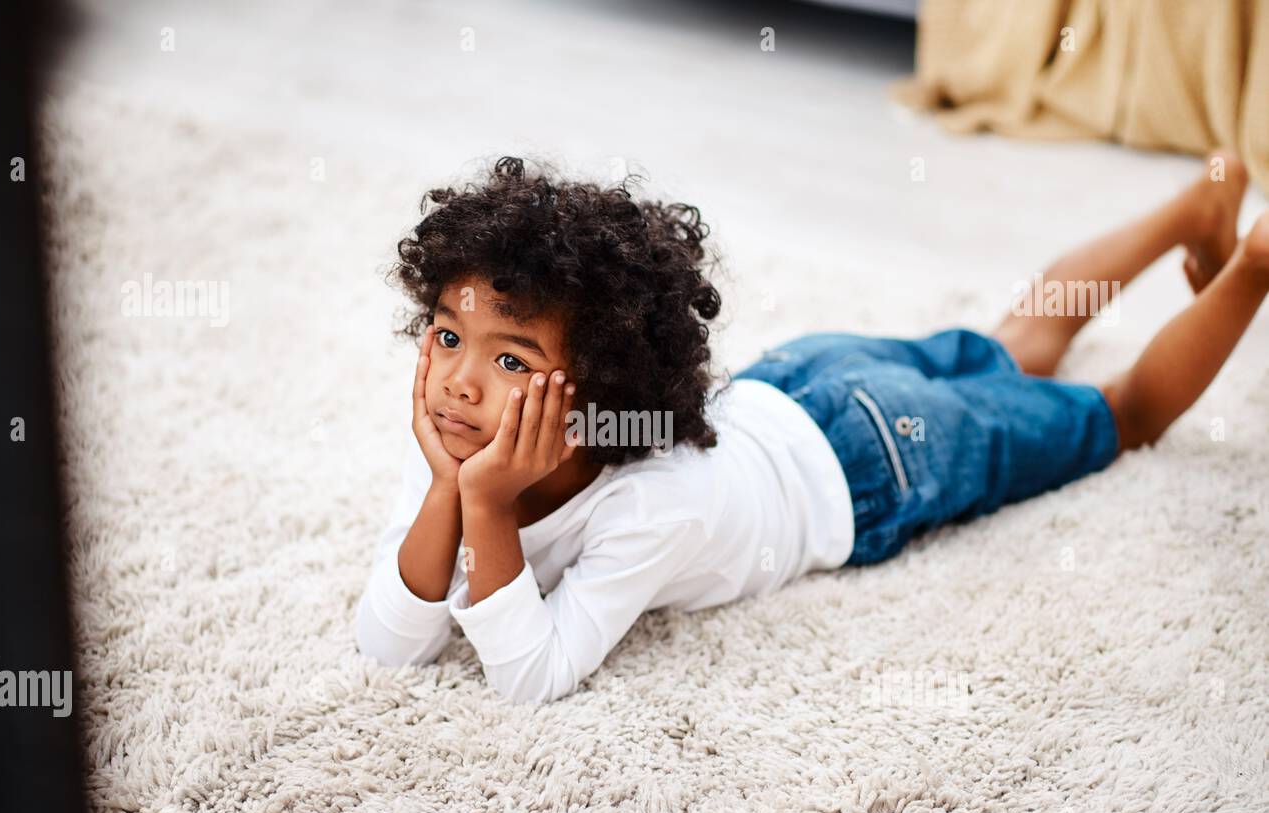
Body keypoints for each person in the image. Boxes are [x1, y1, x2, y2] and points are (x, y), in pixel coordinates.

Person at [356, 153, 1267, 704]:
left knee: (1125, 416)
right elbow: (390, 647)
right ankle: (1197, 207)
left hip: (882, 457)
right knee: (1014, 342)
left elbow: (529, 678)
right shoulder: (457, 437)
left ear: (599, 387)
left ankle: (1255, 264)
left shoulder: (652, 506)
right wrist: (450, 487)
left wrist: (479, 503)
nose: (459, 383)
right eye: (445, 334)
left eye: (510, 361)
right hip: (796, 381)